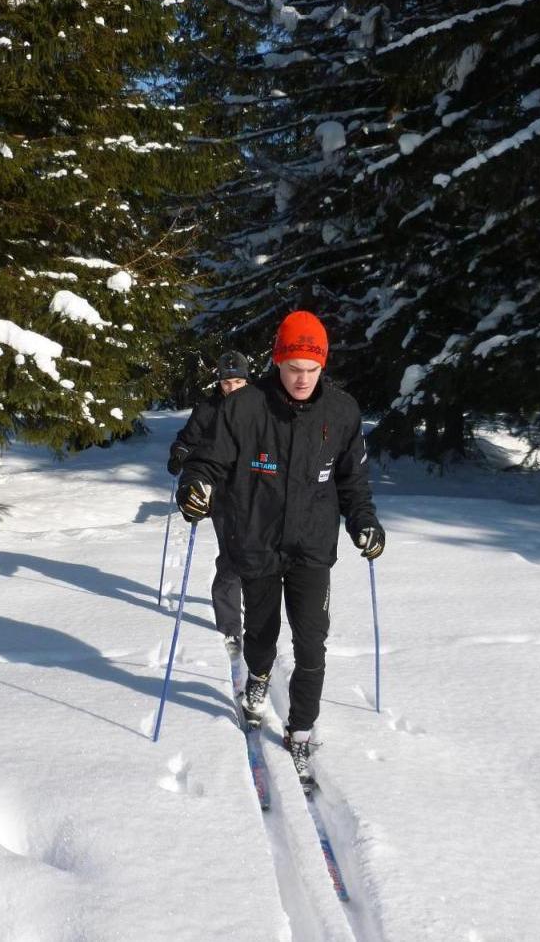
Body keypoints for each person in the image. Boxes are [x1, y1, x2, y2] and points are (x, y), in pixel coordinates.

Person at [176, 311, 384, 787]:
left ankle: (301, 730)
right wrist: (194, 487)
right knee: (262, 633)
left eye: (312, 370)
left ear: (323, 366)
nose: (303, 379)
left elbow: (354, 481)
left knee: (312, 641)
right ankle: (258, 679)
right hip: (258, 541)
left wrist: (365, 522)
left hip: (312, 547)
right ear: (277, 361)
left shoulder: (342, 412)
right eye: (293, 369)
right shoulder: (245, 407)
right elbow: (206, 462)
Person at [167, 350, 250, 647]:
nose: (232, 388)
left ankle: (257, 609)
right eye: (227, 383)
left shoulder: (260, 406)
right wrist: (179, 453)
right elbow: (188, 439)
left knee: (259, 556)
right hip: (221, 491)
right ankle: (230, 624)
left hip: (257, 491)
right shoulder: (208, 408)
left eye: (238, 381)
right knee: (232, 555)